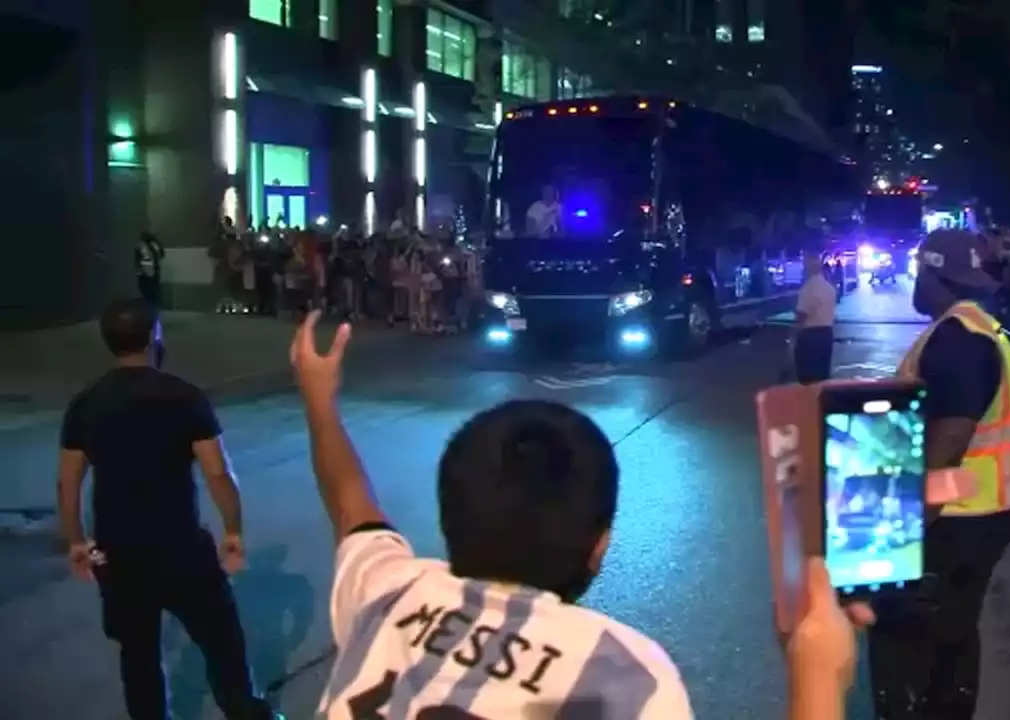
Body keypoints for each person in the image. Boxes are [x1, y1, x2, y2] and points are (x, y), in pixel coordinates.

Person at [289, 311, 693, 717]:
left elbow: (350, 506)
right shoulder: (633, 681)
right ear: (599, 546)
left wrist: (319, 401)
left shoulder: (390, 592)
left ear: (446, 517)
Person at [55, 298, 276, 720]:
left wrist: (78, 541)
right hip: (180, 548)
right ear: (155, 337)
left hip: (117, 554)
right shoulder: (184, 397)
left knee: (137, 655)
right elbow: (218, 474)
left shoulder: (86, 404)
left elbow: (68, 481)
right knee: (221, 639)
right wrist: (233, 533)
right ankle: (244, 711)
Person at [870, 229, 1010, 719]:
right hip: (990, 510)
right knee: (953, 630)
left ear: (931, 272)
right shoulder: (980, 327)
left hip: (957, 517)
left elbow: (949, 442)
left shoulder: (957, 339)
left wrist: (902, 528)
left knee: (906, 637)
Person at [792, 252, 837, 384]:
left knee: (807, 377)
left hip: (810, 337)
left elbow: (802, 315)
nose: (802, 270)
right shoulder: (829, 288)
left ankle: (808, 402)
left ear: (809, 268)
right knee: (822, 376)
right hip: (827, 335)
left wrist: (793, 337)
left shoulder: (808, 288)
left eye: (804, 266)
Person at [134, 232, 165, 309]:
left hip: (145, 274)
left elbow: (141, 258)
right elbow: (162, 254)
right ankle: (154, 315)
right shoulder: (155, 245)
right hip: (155, 273)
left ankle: (149, 314)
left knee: (147, 296)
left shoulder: (141, 245)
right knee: (154, 296)